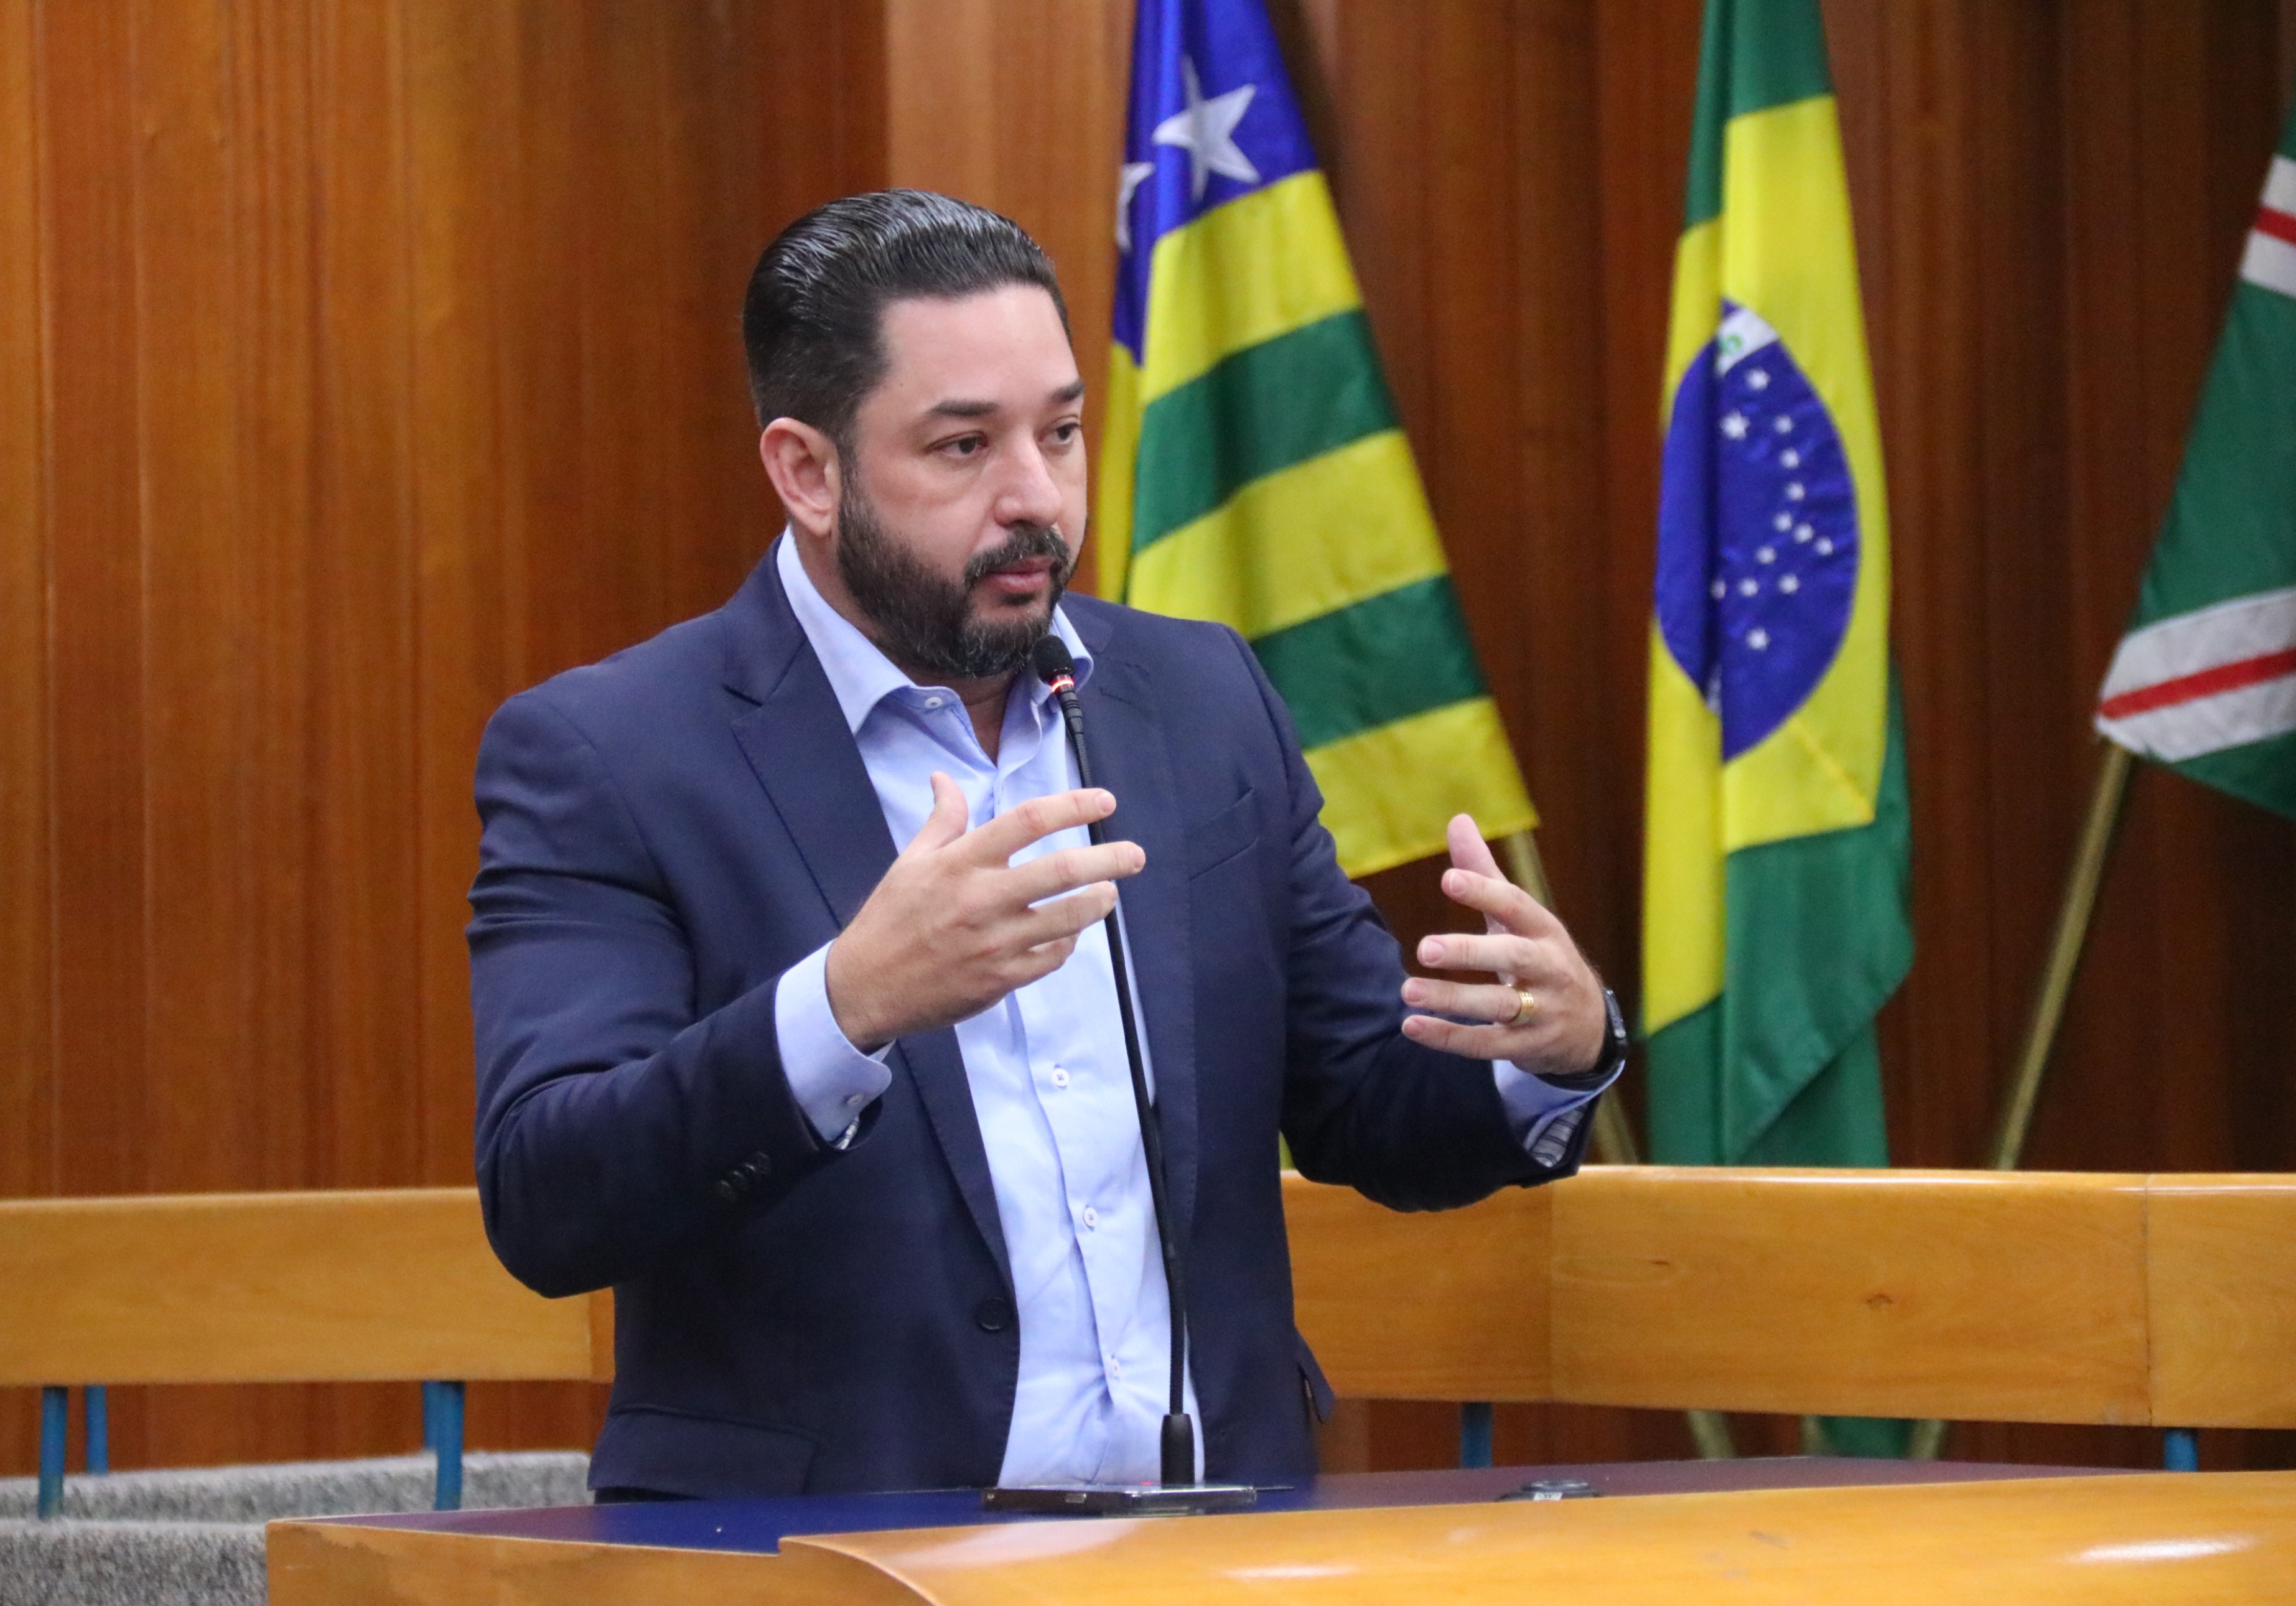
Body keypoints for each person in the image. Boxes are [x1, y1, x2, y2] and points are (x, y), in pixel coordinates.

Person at [468, 190, 1626, 1501]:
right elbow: (550, 1194)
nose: (1035, 499)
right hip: (829, 1556)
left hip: (1214, 1546)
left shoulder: (1198, 696)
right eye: (963, 446)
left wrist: (1544, 1051)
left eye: (1062, 432)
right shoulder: (612, 752)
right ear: (807, 472)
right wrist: (844, 1007)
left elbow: (1361, 1096)